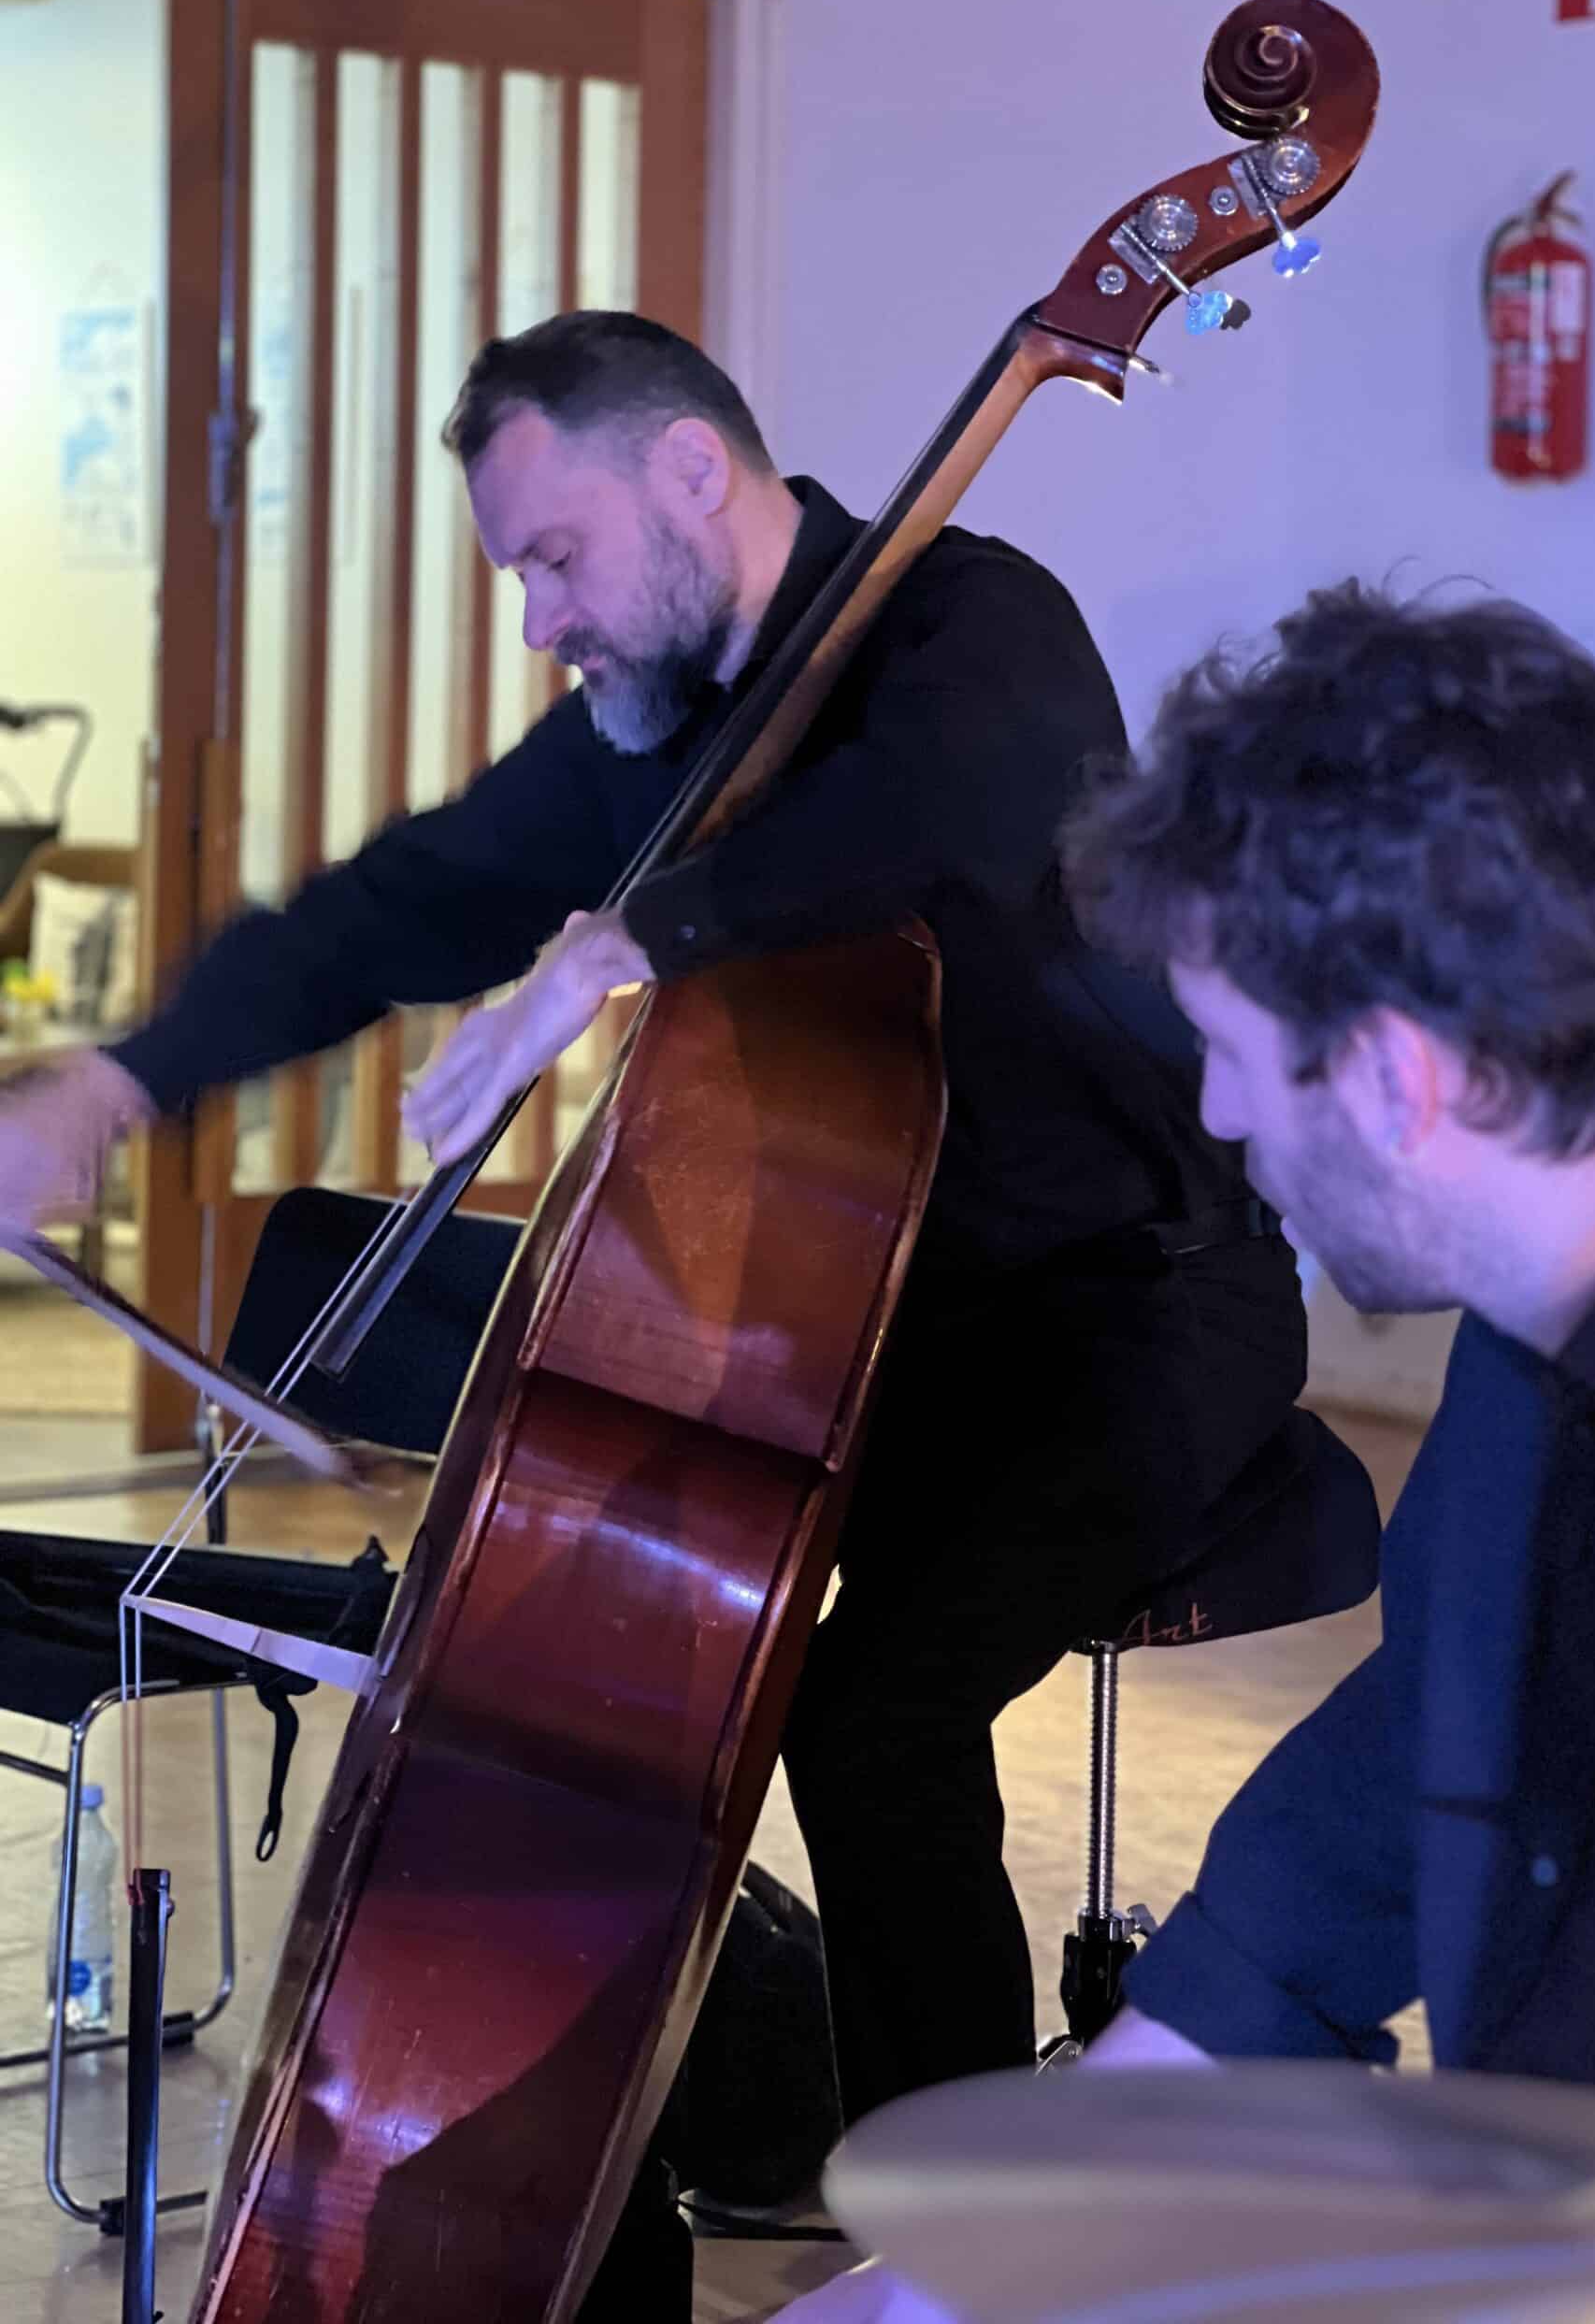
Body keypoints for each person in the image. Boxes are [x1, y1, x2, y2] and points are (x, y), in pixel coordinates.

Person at [0, 313, 1307, 2313]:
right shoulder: (662, 717)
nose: (542, 621)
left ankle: (972, 2251)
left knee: (871, 1716)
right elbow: (398, 901)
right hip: (868, 1337)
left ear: (695, 473)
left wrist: (628, 939)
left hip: (1139, 1306)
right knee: (590, 1697)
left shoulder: (974, 625)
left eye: (555, 557)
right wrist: (114, 1081)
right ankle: (583, 2236)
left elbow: (937, 812)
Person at [771, 576, 1595, 2321]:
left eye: (1234, 1056)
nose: (1219, 1115)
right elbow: (1373, 1819)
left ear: (1397, 1077)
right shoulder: (1538, 1342)